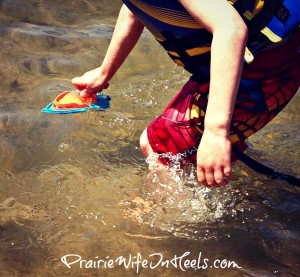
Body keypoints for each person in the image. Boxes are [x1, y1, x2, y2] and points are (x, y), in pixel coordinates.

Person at [72, 0, 300, 188]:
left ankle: (153, 233)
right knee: (190, 146)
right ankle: (267, 190)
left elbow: (230, 28)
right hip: (247, 59)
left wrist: (215, 131)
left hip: (269, 59)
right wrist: (105, 71)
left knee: (160, 146)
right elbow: (134, 8)